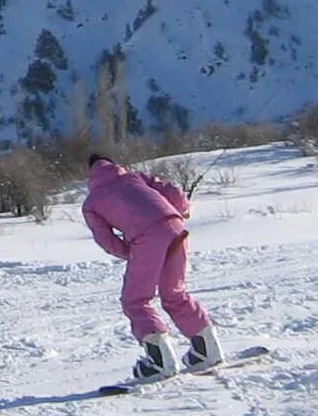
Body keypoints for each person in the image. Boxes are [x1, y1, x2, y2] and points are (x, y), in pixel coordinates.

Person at [83, 154, 221, 384]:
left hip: (146, 238)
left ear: (90, 175)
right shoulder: (135, 177)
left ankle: (161, 362)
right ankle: (207, 350)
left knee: (135, 300)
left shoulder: (92, 202)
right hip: (176, 227)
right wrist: (182, 209)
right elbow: (174, 193)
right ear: (115, 165)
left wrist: (131, 253)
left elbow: (106, 240)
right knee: (174, 292)